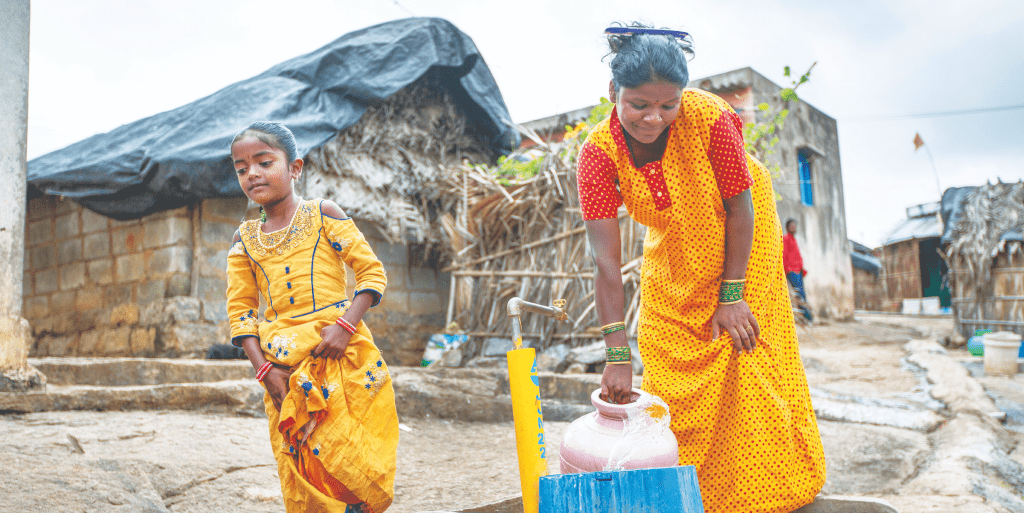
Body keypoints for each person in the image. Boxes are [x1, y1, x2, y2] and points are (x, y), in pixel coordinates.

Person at [577, 24, 826, 513]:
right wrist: (616, 354)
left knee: (743, 353)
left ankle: (769, 495)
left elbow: (741, 210)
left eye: (668, 105)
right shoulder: (597, 155)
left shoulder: (710, 117)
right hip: (674, 245)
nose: (654, 118)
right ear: (613, 92)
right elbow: (605, 263)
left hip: (744, 241)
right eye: (639, 105)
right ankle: (693, 496)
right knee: (667, 355)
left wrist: (732, 296)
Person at [225, 121, 398, 513]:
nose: (252, 174)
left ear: (295, 168)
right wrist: (265, 372)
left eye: (264, 162)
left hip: (340, 357)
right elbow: (241, 311)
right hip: (282, 369)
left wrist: (344, 328)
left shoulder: (324, 214)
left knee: (352, 455)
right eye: (241, 168)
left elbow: (372, 274)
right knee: (305, 461)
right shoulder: (244, 240)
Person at [783, 219, 813, 321]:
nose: (794, 227)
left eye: (794, 226)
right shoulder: (786, 238)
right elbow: (784, 255)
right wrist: (787, 270)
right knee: (799, 294)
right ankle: (807, 318)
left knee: (802, 294)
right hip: (792, 271)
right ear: (787, 227)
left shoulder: (793, 239)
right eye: (791, 226)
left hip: (798, 270)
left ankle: (807, 317)